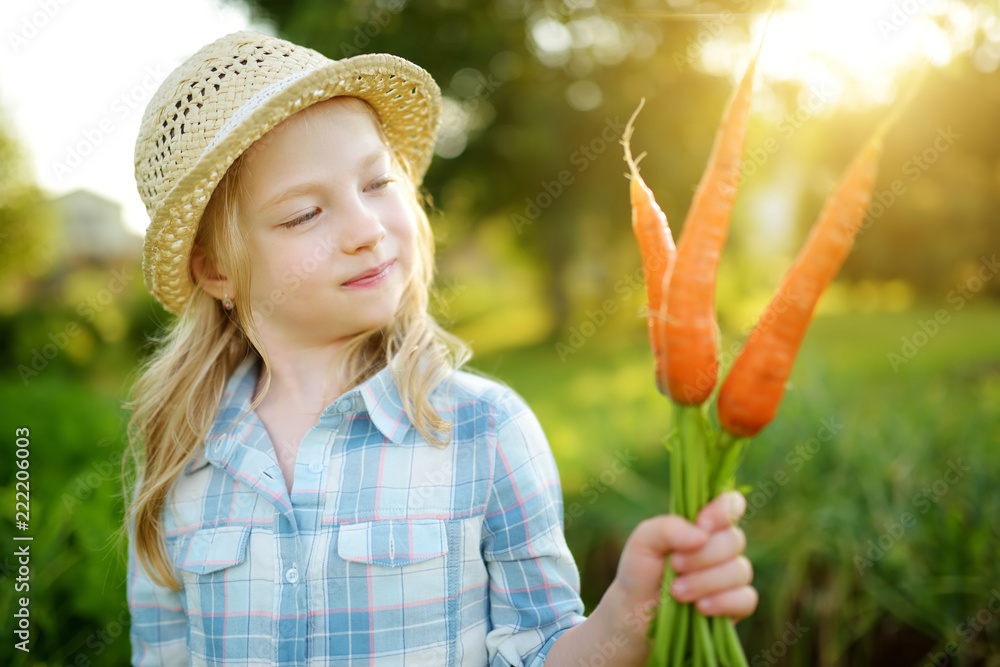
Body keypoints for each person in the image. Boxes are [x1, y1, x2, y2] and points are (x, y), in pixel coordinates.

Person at [122, 29, 757, 666]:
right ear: (216, 272)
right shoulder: (184, 453)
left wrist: (629, 615)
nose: (366, 230)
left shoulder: (484, 430)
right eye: (303, 215)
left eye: (376, 184)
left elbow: (538, 650)